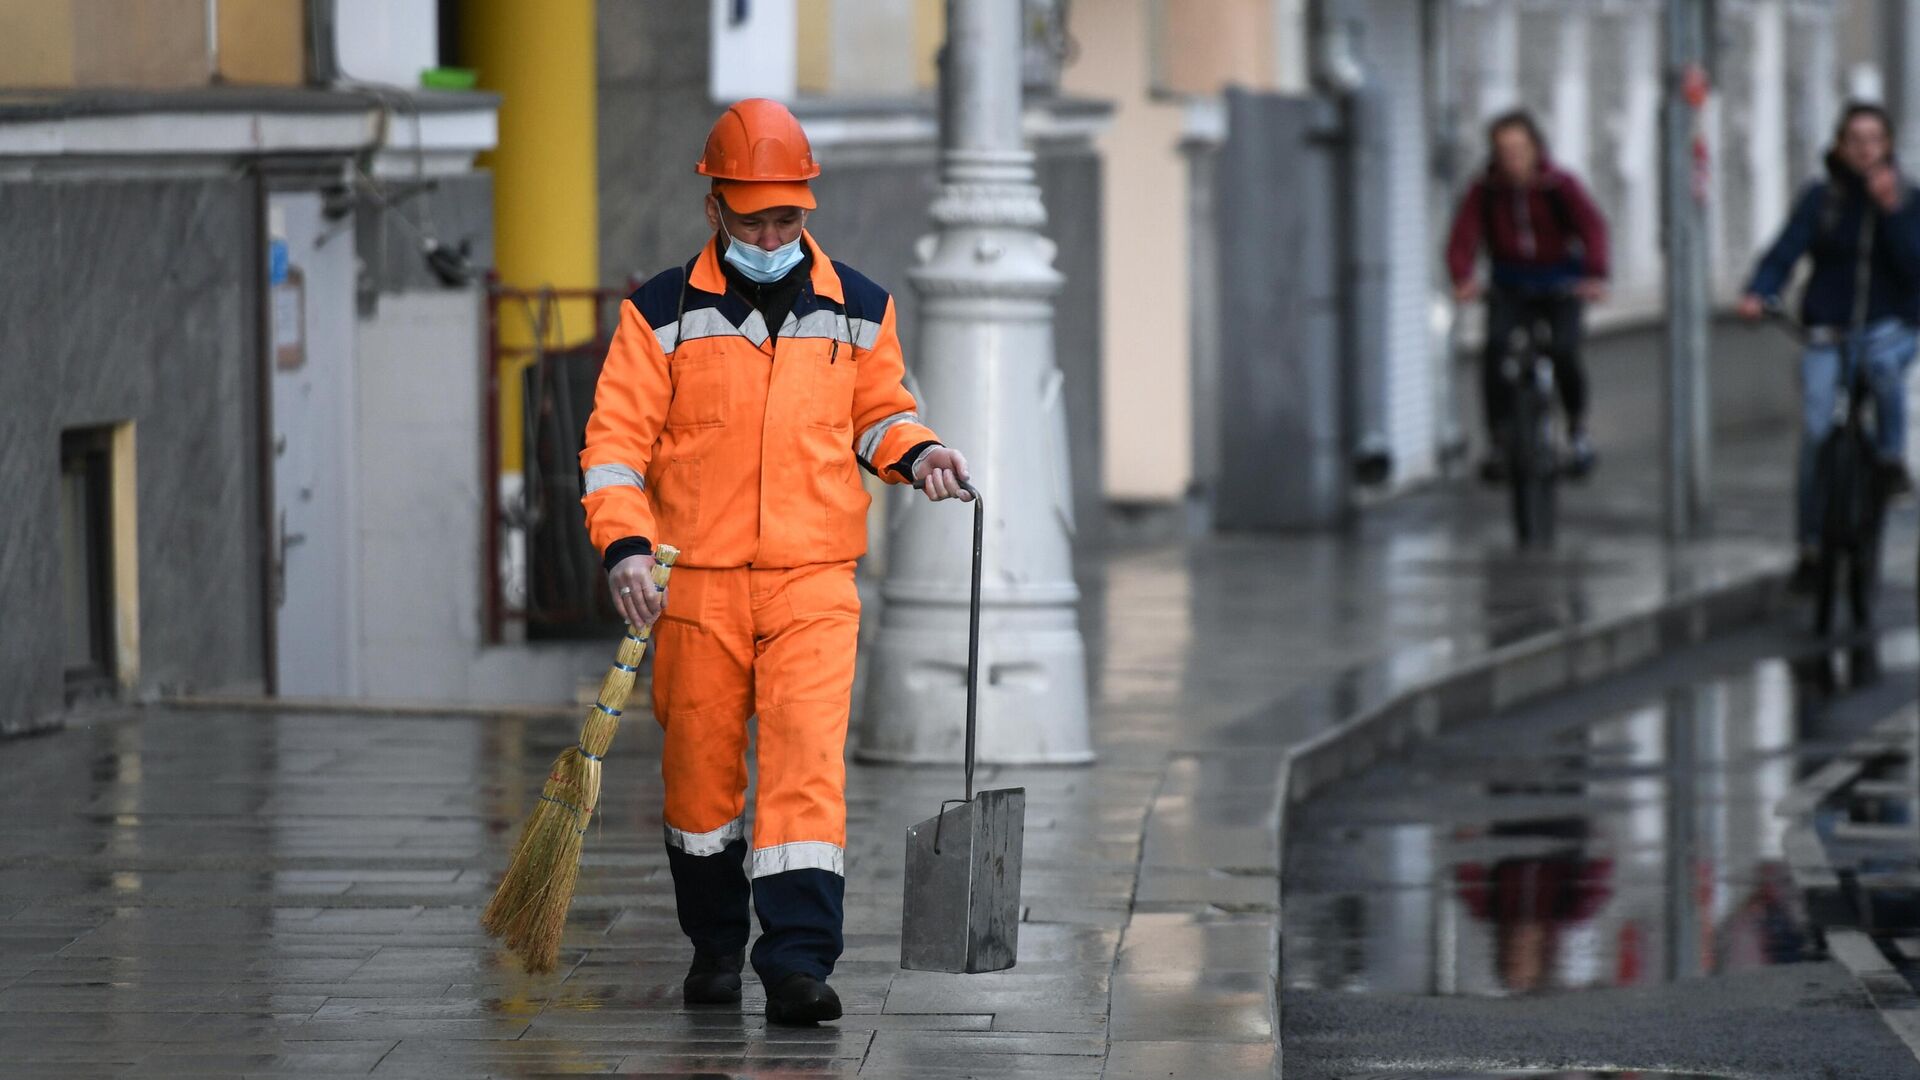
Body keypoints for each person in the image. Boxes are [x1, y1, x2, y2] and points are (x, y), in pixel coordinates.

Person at [579, 98, 973, 1025]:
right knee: (701, 780)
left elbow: (881, 410)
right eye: (753, 216)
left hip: (813, 580)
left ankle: (797, 963)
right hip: (696, 586)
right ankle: (715, 947)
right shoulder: (659, 314)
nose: (770, 232)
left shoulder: (860, 308)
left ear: (806, 210)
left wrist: (919, 454)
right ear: (714, 207)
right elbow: (614, 448)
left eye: (786, 217)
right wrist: (626, 549)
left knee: (805, 768)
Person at [1739, 102, 1920, 589]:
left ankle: (1889, 459)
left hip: (1889, 326)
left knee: (1884, 371)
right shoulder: (1822, 198)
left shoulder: (1907, 198)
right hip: (1828, 329)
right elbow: (1786, 249)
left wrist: (1893, 214)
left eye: (1874, 140)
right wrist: (1761, 290)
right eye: (1854, 140)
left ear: (1887, 146)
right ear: (1840, 145)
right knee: (1817, 430)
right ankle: (1811, 545)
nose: (1864, 150)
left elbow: (1914, 266)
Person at [1445, 109, 1611, 481]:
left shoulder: (1558, 186)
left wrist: (1595, 275)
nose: (1512, 159)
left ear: (1535, 149)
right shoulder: (1485, 191)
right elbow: (1463, 237)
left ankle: (1577, 432)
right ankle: (1500, 439)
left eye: (1519, 149)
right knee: (1496, 349)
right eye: (1504, 151)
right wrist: (1463, 278)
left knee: (1565, 350)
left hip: (1559, 284)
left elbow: (1592, 227)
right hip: (1510, 286)